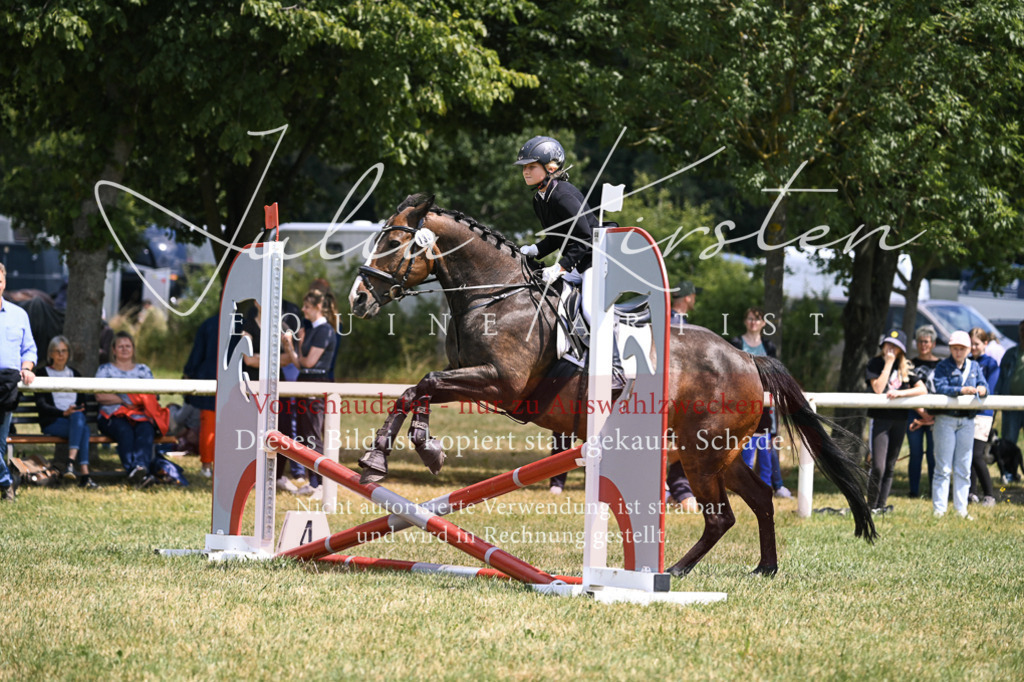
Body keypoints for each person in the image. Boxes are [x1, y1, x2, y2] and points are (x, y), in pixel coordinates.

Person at [515, 136, 597, 309]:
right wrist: (535, 249)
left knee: (590, 311)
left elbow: (585, 237)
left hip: (595, 261)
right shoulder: (539, 199)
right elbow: (555, 238)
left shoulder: (563, 196)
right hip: (575, 265)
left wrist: (560, 267)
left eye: (531, 166)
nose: (525, 171)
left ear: (551, 167)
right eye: (524, 167)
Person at [281, 289, 339, 498]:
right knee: (306, 436)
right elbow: (300, 365)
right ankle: (313, 482)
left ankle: (322, 484)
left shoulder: (324, 330)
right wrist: (290, 346)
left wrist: (295, 346)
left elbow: (308, 362)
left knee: (313, 436)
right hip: (306, 382)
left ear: (316, 307)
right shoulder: (312, 329)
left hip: (316, 385)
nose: (303, 310)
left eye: (306, 306)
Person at [730, 307, 791, 498]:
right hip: (742, 400)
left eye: (757, 319)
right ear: (745, 321)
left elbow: (773, 374)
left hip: (764, 400)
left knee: (766, 441)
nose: (753, 322)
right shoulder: (737, 342)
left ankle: (766, 485)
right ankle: (744, 486)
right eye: (749, 319)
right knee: (745, 442)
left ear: (763, 323)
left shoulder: (769, 346)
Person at [865, 329, 925, 513]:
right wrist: (888, 363)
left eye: (895, 347)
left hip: (899, 419)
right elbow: (878, 388)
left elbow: (922, 389)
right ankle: (870, 506)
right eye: (888, 344)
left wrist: (901, 393)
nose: (890, 349)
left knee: (890, 465)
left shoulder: (907, 367)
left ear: (901, 350)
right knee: (878, 466)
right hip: (880, 419)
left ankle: (881, 506)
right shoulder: (875, 363)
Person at [932, 330, 989, 519]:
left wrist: (982, 389)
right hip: (945, 419)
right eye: (955, 348)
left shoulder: (975, 366)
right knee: (943, 467)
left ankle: (961, 509)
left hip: (967, 421)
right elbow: (940, 387)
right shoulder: (942, 366)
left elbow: (984, 385)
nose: (958, 352)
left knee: (964, 466)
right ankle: (939, 509)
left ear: (968, 350)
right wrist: (960, 390)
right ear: (950, 349)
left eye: (962, 348)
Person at [95, 331, 158, 488]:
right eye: (120, 346)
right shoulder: (105, 370)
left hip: (140, 415)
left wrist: (127, 400)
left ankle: (139, 469)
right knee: (125, 431)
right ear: (114, 350)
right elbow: (100, 396)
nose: (124, 349)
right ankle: (136, 471)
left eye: (128, 346)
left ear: (133, 349)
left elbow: (152, 396)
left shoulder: (143, 370)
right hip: (111, 416)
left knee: (146, 429)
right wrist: (125, 400)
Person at [35, 336, 97, 489]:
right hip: (53, 422)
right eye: (57, 351)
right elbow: (41, 405)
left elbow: (83, 403)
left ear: (69, 353)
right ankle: (84, 475)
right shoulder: (42, 373)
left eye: (64, 351)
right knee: (84, 428)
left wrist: (75, 411)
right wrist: (63, 413)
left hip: (74, 421)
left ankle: (72, 464)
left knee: (79, 418)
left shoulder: (75, 374)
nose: (61, 355)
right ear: (51, 354)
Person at [0, 263, 38, 502]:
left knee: (0, 441)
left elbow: (29, 349)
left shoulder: (19, 314)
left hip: (7, 385)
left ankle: (5, 484)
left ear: (4, 282)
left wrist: (27, 368)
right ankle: (6, 481)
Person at [906, 325, 940, 498]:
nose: (923, 345)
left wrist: (931, 415)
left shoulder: (941, 365)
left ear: (933, 343)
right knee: (916, 453)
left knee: (934, 455)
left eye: (926, 341)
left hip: (937, 415)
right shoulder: (909, 364)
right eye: (920, 341)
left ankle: (935, 491)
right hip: (914, 413)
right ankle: (914, 491)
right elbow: (906, 389)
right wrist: (921, 413)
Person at [183, 314, 218, 478]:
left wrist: (189, 373)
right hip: (235, 378)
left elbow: (197, 353)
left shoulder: (209, 324)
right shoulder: (244, 323)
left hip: (209, 378)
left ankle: (206, 466)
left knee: (208, 424)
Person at [968, 328, 998, 507]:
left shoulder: (991, 363)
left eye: (976, 344)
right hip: (966, 414)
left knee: (977, 455)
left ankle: (989, 494)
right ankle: (972, 493)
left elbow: (990, 388)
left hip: (983, 414)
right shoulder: (966, 361)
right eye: (971, 343)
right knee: (967, 455)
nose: (973, 347)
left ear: (985, 344)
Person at [994, 320, 1024, 484]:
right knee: (1008, 443)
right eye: (1021, 330)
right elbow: (1001, 379)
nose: (1023, 333)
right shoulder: (1010, 353)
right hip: (1011, 404)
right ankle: (1008, 475)